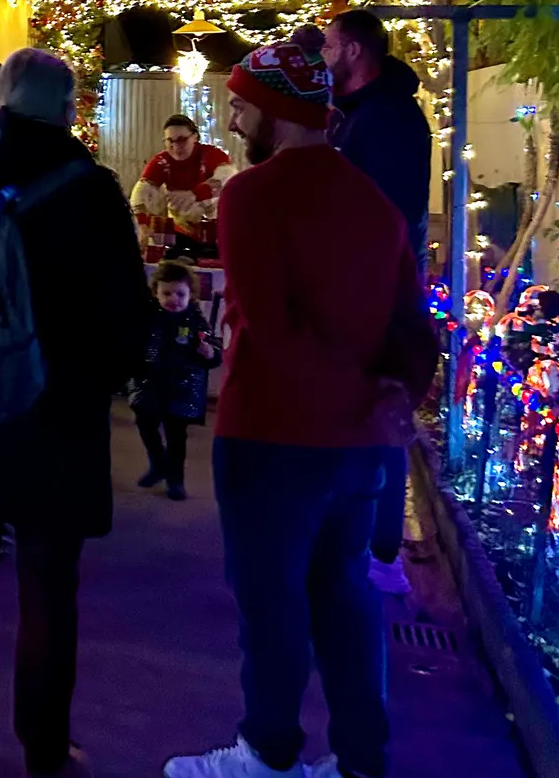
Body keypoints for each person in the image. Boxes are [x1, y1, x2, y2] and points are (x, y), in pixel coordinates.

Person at [167, 41, 434, 778]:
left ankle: (268, 754)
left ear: (276, 114)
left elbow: (272, 328)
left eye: (243, 107)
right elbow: (414, 324)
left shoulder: (250, 195)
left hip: (273, 434)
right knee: (345, 599)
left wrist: (357, 399)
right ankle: (359, 759)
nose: (231, 118)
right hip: (356, 448)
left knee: (271, 603)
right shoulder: (374, 204)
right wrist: (391, 398)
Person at [0, 49, 154, 778]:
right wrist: (96, 380)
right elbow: (128, 319)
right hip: (58, 414)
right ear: (66, 107)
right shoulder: (92, 190)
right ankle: (45, 750)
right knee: (50, 587)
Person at [322, 8, 433, 597]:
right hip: (368, 290)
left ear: (356, 53)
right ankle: (365, 545)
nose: (323, 57)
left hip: (378, 296)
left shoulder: (386, 119)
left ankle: (378, 554)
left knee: (381, 415)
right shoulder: (365, 115)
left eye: (330, 46)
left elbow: (392, 214)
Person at [131, 260, 221, 501]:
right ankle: (158, 462)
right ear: (156, 292)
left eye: (180, 294)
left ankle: (175, 479)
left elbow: (214, 349)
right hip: (149, 384)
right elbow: (137, 343)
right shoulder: (149, 317)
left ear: (191, 294)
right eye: (166, 293)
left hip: (181, 388)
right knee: (145, 423)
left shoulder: (196, 321)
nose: (173, 299)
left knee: (176, 436)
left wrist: (210, 353)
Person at [130, 114, 235, 261]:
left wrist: (195, 194)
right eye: (170, 141)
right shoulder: (161, 162)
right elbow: (140, 193)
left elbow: (228, 178)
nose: (176, 146)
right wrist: (142, 225)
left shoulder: (210, 154)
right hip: (181, 234)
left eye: (182, 140)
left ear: (195, 137)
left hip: (218, 233)